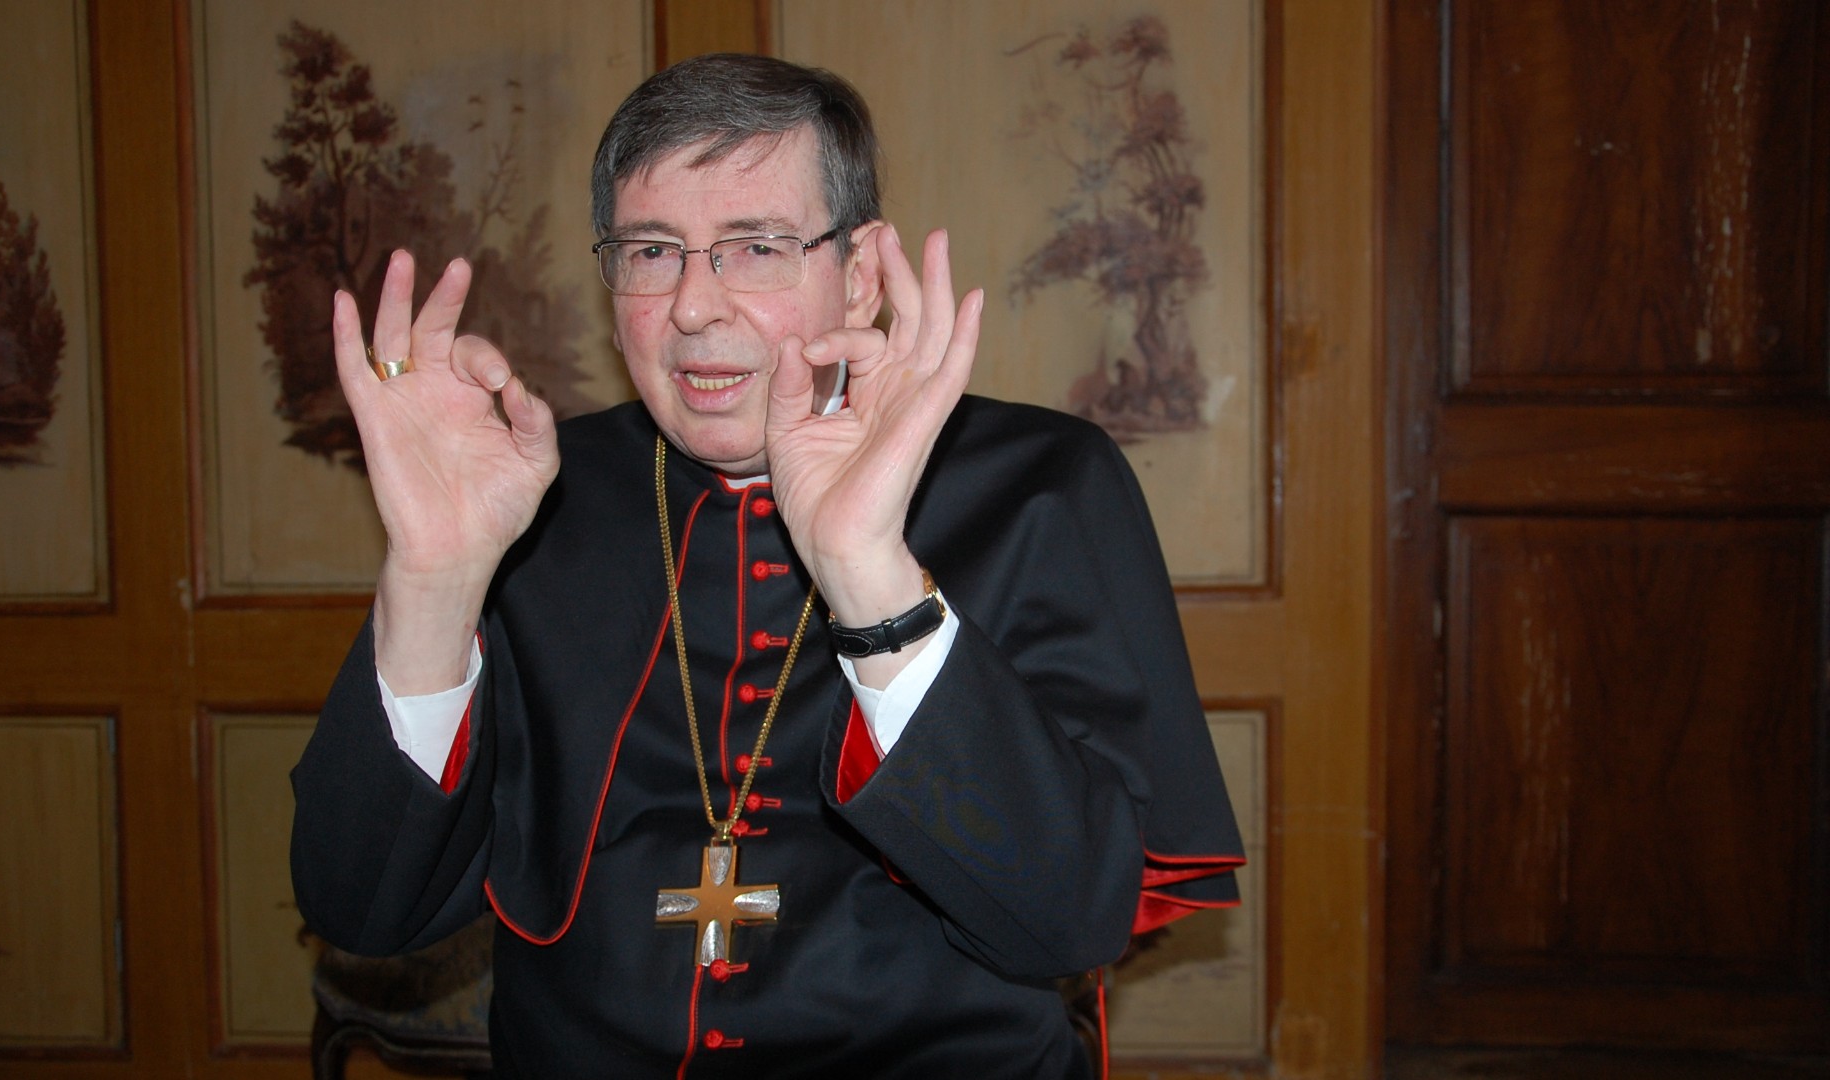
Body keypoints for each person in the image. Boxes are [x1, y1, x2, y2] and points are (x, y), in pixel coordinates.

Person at [291, 53, 1242, 1078]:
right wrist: (434, 575)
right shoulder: (529, 494)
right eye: (653, 252)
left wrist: (869, 574)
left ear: (862, 274)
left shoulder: (1043, 485)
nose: (694, 306)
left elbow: (1071, 920)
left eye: (755, 247)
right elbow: (363, 906)